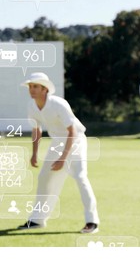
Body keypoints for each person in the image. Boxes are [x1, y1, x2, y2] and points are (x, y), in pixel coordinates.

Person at [18, 72, 99, 233]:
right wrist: (34, 154)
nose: (32, 90)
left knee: (80, 177)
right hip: (58, 143)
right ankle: (37, 219)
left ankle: (92, 221)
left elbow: (73, 131)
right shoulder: (31, 106)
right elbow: (36, 130)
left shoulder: (59, 104)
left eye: (35, 86)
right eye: (30, 86)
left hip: (75, 141)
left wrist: (63, 158)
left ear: (45, 89)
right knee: (43, 178)